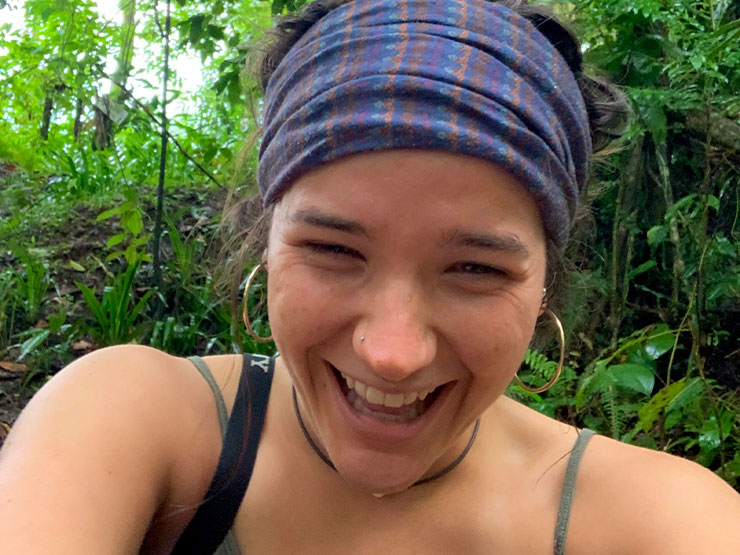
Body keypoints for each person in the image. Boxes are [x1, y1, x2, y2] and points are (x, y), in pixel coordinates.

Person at [1, 0, 739, 553]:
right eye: (333, 250)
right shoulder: (133, 424)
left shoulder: (661, 522)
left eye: (475, 268)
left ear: (546, 282)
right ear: (268, 246)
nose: (392, 352)